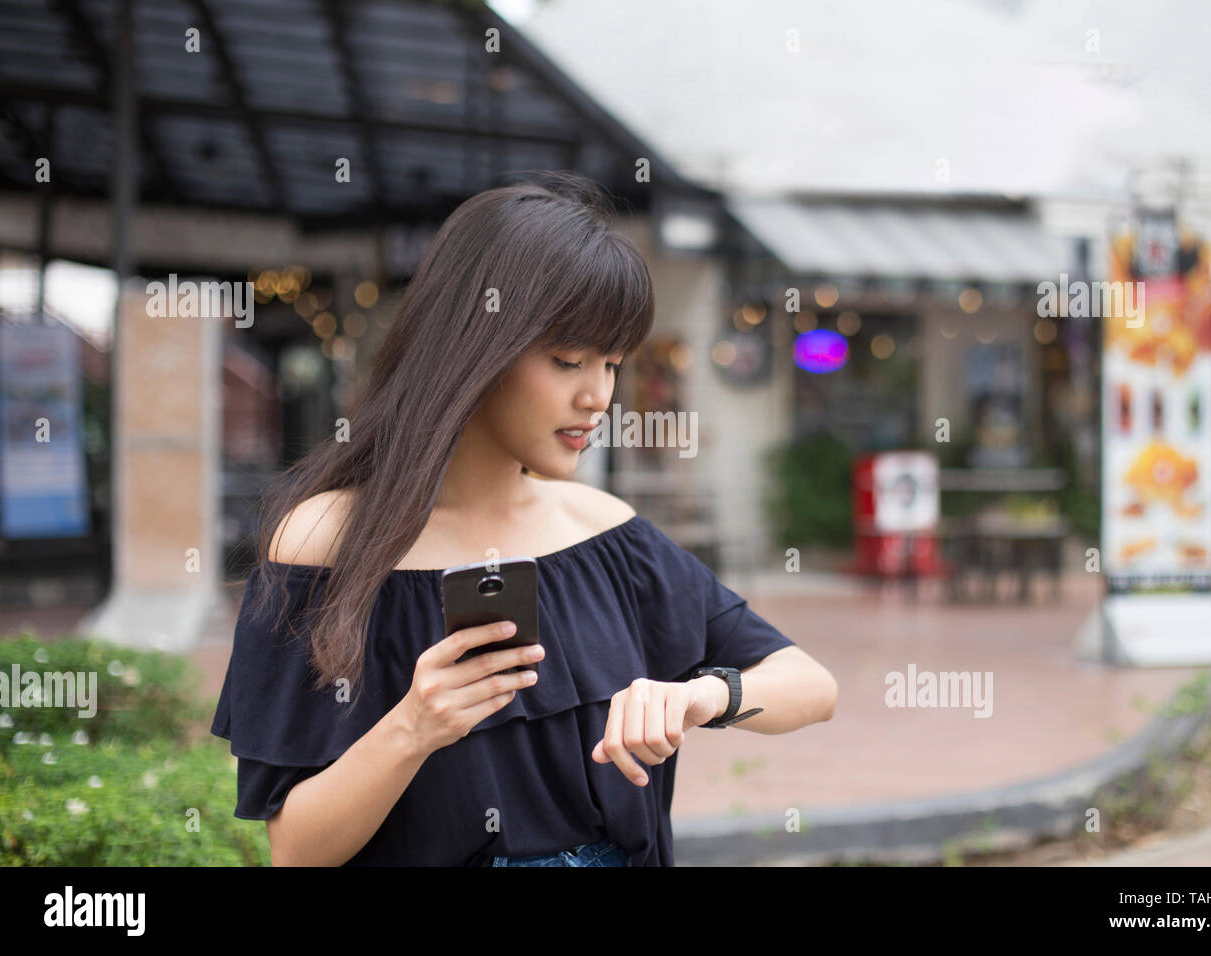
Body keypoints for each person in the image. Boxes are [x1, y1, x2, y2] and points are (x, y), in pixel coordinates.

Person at [210, 170, 838, 867]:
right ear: (475, 350)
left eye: (611, 363)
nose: (597, 395)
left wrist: (702, 697)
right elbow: (295, 852)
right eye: (568, 360)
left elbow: (811, 686)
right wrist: (413, 727)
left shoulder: (604, 533)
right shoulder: (323, 544)